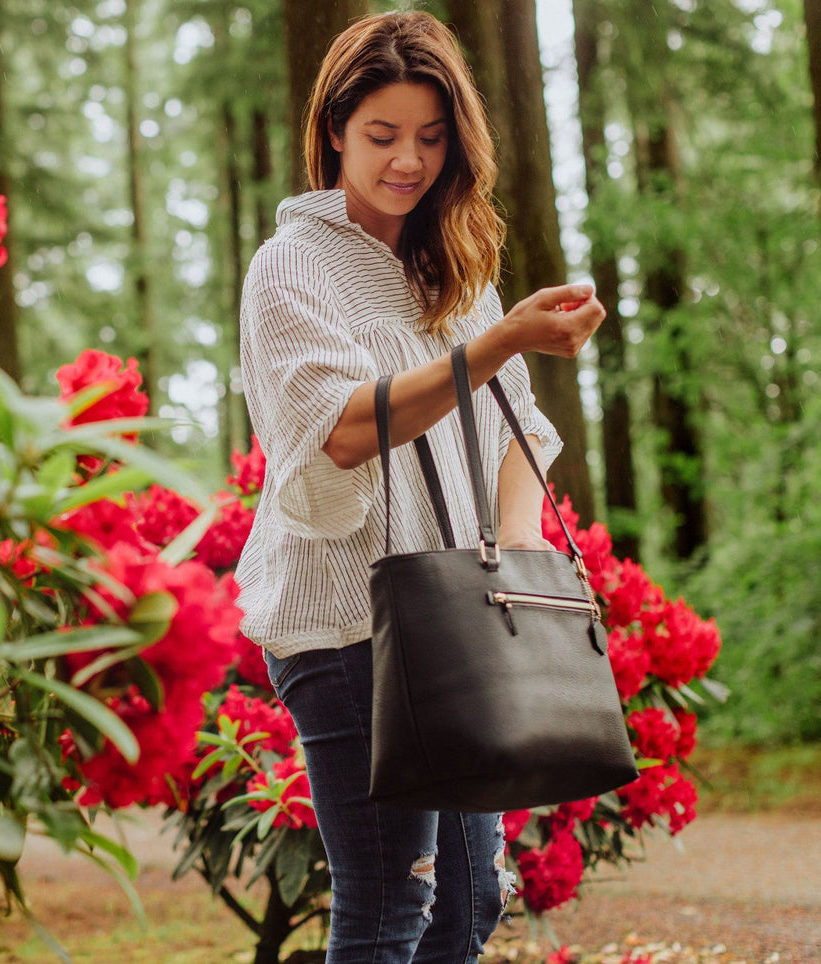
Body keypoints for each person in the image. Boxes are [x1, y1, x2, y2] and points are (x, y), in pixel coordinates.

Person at [234, 11, 606, 964]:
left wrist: (518, 547)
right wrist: (498, 342)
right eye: (383, 135)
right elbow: (346, 429)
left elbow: (521, 431)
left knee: (468, 901)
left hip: (453, 616)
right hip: (345, 623)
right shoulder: (291, 269)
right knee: (390, 906)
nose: (408, 160)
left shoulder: (455, 269)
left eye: (431, 137)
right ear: (333, 133)